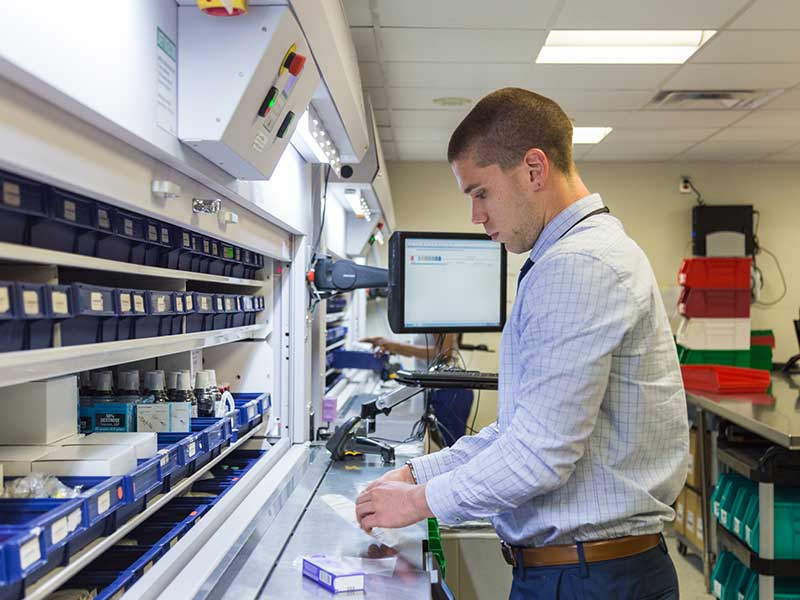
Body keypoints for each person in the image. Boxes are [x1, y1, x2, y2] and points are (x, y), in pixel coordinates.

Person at [354, 88, 688, 599]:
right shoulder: (569, 259)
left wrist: (420, 501)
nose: (476, 216)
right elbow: (519, 431)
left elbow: (539, 454)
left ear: (534, 169)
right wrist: (417, 470)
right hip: (584, 573)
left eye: (480, 193)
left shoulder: (579, 266)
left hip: (588, 580)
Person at [360, 333, 474, 447]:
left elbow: (444, 353)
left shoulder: (441, 316)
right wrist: (388, 344)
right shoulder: (420, 319)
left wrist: (395, 346)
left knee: (454, 447)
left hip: (449, 391)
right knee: (445, 445)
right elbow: (417, 352)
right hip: (434, 388)